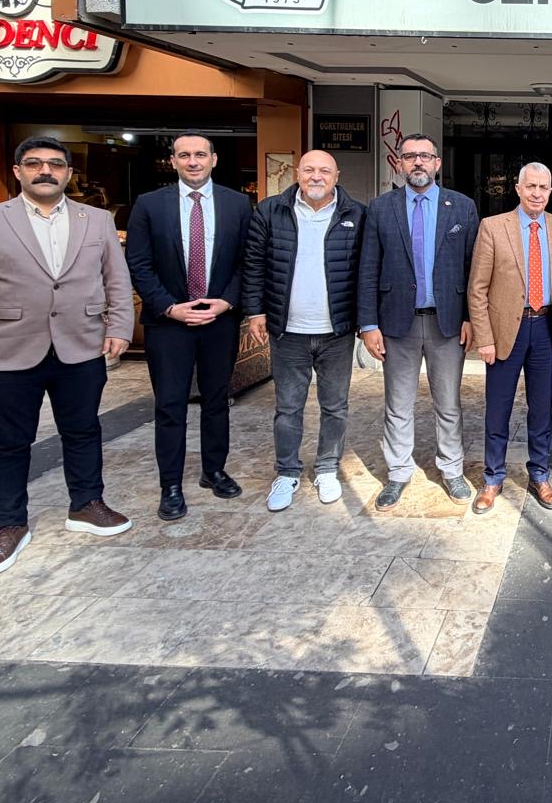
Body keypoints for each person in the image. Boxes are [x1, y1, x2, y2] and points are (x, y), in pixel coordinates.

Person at [0, 136, 134, 577]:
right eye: (34, 164)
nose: (45, 171)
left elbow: (116, 278)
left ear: (68, 173)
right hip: (9, 350)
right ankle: (8, 525)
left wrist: (119, 327)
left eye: (54, 164)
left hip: (81, 344)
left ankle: (86, 504)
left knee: (83, 430)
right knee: (8, 442)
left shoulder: (97, 220)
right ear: (18, 171)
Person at [124, 132, 253, 520]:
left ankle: (214, 471)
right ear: (174, 161)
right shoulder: (149, 204)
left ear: (214, 159)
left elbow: (248, 261)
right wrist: (169, 307)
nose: (193, 161)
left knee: (216, 400)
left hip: (219, 320)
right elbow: (139, 263)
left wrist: (227, 301)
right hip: (169, 323)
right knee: (170, 405)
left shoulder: (237, 203)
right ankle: (171, 485)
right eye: (184, 155)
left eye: (200, 154)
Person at [358, 133, 480, 507]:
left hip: (447, 323)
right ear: (399, 163)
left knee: (449, 403)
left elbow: (473, 270)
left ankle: (452, 470)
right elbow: (368, 269)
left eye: (425, 156)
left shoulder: (462, 207)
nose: (418, 162)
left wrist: (471, 318)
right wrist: (368, 325)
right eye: (410, 156)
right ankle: (398, 473)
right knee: (398, 404)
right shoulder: (381, 208)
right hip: (398, 324)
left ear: (437, 163)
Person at [243, 150, 365, 512]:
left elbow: (366, 271)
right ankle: (287, 472)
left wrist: (365, 321)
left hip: (336, 331)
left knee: (335, 406)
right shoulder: (270, 211)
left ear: (337, 176)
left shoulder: (357, 214)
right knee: (288, 407)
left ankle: (327, 468)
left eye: (324, 171)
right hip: (288, 331)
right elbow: (254, 264)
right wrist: (255, 311)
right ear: (298, 173)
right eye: (309, 169)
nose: (316, 176)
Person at [468, 162, 552, 514]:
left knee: (541, 408)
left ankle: (540, 474)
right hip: (503, 332)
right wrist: (484, 337)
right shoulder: (493, 227)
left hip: (545, 329)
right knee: (498, 409)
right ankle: (493, 477)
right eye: (531, 186)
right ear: (517, 188)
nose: (537, 193)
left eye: (543, 187)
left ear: (550, 191)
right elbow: (477, 289)